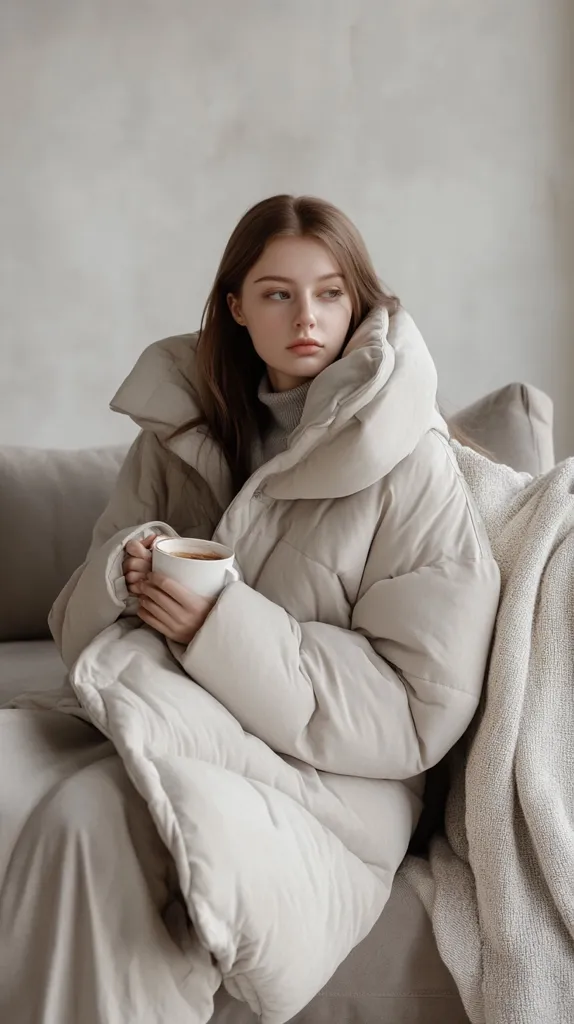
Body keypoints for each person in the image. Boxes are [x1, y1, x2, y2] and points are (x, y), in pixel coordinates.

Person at [0, 195, 501, 1023]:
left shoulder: (410, 465)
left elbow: (418, 707)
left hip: (340, 779)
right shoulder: (178, 432)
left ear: (359, 303)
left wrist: (217, 626)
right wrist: (122, 580)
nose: (306, 315)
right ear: (236, 307)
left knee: (90, 825)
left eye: (330, 293)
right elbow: (72, 625)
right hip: (179, 720)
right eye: (276, 293)